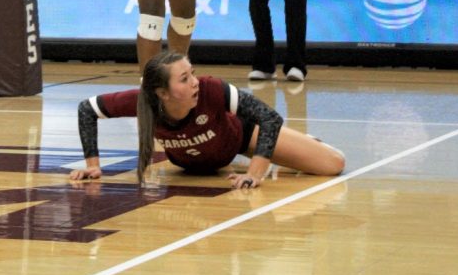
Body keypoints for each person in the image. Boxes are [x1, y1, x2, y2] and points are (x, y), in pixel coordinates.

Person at [71, 50, 346, 188]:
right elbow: (87, 109)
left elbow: (270, 118)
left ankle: (301, 142)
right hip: (188, 163)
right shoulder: (143, 100)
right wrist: (93, 166)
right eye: (184, 79)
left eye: (192, 73)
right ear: (162, 93)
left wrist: (255, 173)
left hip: (238, 140)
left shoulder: (211, 89)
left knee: (333, 164)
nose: (194, 83)